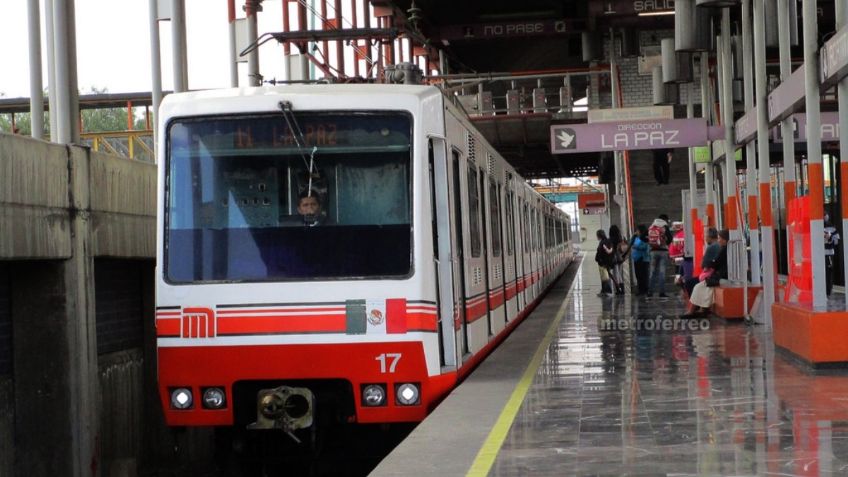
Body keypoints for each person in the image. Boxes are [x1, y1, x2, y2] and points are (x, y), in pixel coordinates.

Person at [684, 229, 729, 317]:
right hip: (721, 275)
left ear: (724, 240)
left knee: (698, 286)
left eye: (719, 238)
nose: (718, 240)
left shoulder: (722, 249)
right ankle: (698, 310)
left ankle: (693, 310)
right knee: (700, 286)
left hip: (721, 277)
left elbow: (712, 263)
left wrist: (709, 264)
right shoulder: (724, 248)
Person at [683, 228, 720, 299]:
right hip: (716, 273)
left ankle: (696, 303)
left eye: (705, 236)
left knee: (689, 283)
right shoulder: (718, 245)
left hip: (712, 276)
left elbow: (704, 264)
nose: (705, 238)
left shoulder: (711, 247)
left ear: (709, 237)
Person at [646, 214, 674, 300]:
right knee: (662, 272)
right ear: (665, 219)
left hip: (653, 251)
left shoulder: (652, 226)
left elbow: (642, 236)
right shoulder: (664, 226)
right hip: (663, 251)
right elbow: (670, 238)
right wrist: (665, 243)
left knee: (652, 272)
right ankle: (661, 292)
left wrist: (650, 242)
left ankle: (650, 292)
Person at [631, 224, 651, 296]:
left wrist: (636, 246)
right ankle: (640, 290)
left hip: (643, 259)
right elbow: (631, 244)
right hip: (636, 259)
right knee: (638, 275)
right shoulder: (636, 238)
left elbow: (645, 247)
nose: (637, 232)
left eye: (638, 230)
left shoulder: (645, 238)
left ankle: (645, 290)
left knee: (644, 275)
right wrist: (633, 237)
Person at [595, 230, 615, 296]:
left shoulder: (603, 243)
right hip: (606, 262)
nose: (596, 236)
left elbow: (607, 252)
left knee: (605, 277)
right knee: (604, 277)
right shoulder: (607, 241)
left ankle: (607, 291)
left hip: (603, 263)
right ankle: (604, 291)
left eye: (597, 235)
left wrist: (602, 261)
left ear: (599, 235)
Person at [824, 214, 840, 296]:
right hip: (827, 253)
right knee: (828, 272)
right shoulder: (832, 227)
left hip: (828, 253)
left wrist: (829, 238)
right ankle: (827, 291)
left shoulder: (832, 227)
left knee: (828, 272)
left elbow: (836, 242)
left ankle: (828, 290)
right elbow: (836, 242)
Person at [608, 225, 626, 295]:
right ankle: (622, 289)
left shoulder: (611, 240)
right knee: (619, 273)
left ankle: (619, 290)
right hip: (620, 257)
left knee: (616, 274)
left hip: (614, 258)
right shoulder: (620, 238)